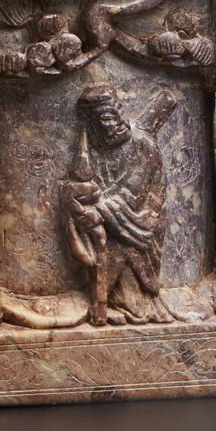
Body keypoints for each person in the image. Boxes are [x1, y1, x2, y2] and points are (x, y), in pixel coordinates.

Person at [61, 85, 180, 324]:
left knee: (131, 292)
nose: (121, 120)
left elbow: (132, 196)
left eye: (120, 110)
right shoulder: (94, 151)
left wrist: (99, 211)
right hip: (109, 222)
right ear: (93, 124)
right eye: (108, 117)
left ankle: (129, 303)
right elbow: (83, 185)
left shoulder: (144, 146)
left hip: (138, 225)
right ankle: (102, 301)